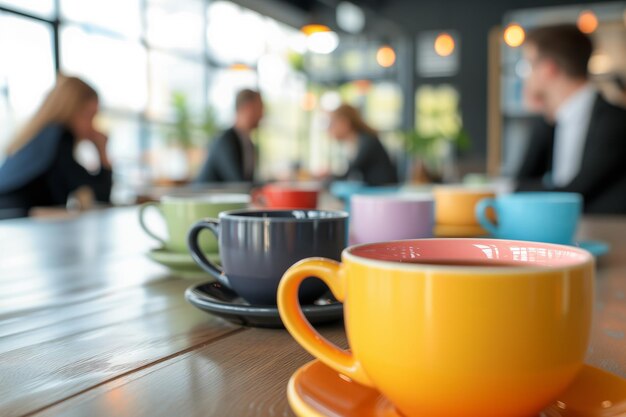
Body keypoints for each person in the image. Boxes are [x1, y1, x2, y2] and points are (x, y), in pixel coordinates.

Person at [516, 24, 626, 214]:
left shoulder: (615, 121)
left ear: (549, 69)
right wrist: (541, 115)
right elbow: (522, 182)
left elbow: (575, 194)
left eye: (529, 65)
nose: (525, 76)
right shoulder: (552, 120)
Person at [0, 75, 112, 219]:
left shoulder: (41, 136)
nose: (92, 125)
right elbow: (100, 196)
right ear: (71, 110)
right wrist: (103, 152)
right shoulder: (60, 137)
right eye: (89, 116)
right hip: (16, 224)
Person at [196, 89, 263, 183]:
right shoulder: (225, 141)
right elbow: (237, 182)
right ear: (248, 107)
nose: (262, 114)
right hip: (203, 196)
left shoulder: (249, 144)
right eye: (260, 108)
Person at [328, 104, 398, 186]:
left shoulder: (367, 141)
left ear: (344, 122)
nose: (330, 129)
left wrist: (327, 179)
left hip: (383, 192)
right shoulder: (356, 141)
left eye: (332, 124)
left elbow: (351, 171)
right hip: (373, 190)